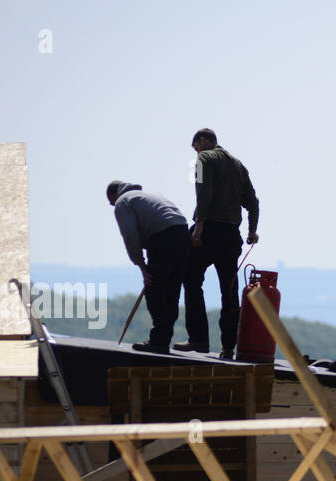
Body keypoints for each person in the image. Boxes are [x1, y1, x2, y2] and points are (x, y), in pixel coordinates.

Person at [181, 128, 260, 360]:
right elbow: (253, 202)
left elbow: (203, 193)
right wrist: (252, 230)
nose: (197, 152)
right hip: (231, 235)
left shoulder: (204, 158)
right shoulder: (238, 165)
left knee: (191, 279)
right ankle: (228, 348)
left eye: (196, 147)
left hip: (209, 230)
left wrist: (199, 228)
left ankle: (198, 340)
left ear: (203, 142)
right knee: (229, 290)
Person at [107, 181, 190, 354]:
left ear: (114, 196)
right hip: (183, 232)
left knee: (154, 288)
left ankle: (158, 341)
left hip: (163, 235)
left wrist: (142, 266)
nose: (112, 205)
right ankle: (163, 339)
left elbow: (130, 235)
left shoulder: (123, 202)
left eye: (110, 202)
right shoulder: (147, 196)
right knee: (171, 290)